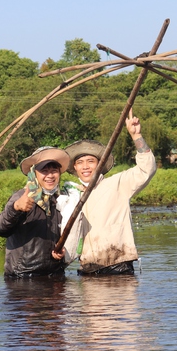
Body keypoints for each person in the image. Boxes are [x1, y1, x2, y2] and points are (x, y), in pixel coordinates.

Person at [63, 110, 157, 275]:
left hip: (118, 266)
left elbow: (147, 169)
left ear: (100, 165)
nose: (85, 167)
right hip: (88, 269)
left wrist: (136, 136)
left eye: (91, 162)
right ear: (75, 167)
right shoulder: (70, 195)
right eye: (80, 163)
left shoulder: (117, 184)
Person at [0, 146, 70, 278]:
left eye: (54, 170)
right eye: (44, 171)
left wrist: (60, 252)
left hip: (54, 276)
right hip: (23, 277)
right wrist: (15, 208)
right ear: (34, 173)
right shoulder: (22, 197)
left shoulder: (62, 200)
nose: (50, 175)